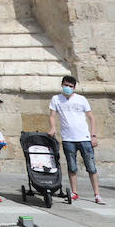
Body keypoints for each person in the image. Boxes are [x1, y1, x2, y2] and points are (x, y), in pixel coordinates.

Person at [50, 74, 102, 203]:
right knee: (72, 167)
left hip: (84, 138)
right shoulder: (56, 99)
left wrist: (93, 135)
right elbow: (52, 115)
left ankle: (97, 194)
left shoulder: (81, 99)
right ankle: (74, 192)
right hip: (68, 138)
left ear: (74, 87)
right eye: (66, 85)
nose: (68, 88)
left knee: (91, 167)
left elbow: (91, 117)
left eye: (70, 86)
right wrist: (53, 127)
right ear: (62, 85)